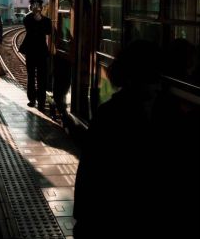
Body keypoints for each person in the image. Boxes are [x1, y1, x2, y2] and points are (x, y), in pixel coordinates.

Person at [73, 39, 170, 238]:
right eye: (154, 77)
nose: (159, 85)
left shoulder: (107, 114)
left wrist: (83, 221)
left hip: (109, 219)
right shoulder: (165, 117)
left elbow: (88, 175)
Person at [21, 0, 52, 111]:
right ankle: (32, 99)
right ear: (30, 8)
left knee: (42, 77)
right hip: (30, 51)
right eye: (33, 6)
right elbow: (28, 27)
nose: (36, 8)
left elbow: (48, 31)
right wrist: (35, 18)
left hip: (42, 52)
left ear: (41, 8)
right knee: (31, 76)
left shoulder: (46, 20)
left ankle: (41, 102)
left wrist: (40, 20)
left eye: (38, 6)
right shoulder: (27, 18)